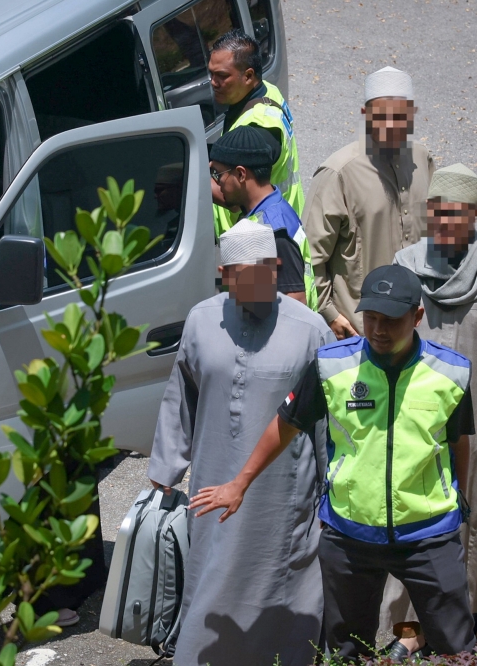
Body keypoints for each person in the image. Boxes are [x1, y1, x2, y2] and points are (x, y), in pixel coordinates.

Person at [191, 264, 477, 660]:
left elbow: (458, 441)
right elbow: (286, 424)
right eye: (370, 317)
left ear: (416, 317)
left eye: (391, 320)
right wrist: (240, 482)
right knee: (347, 650)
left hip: (429, 533)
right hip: (349, 533)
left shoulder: (450, 372)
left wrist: (460, 498)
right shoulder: (333, 367)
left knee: (455, 646)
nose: (378, 329)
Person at [148, 219, 333, 666]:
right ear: (225, 275)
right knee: (211, 575)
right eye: (244, 278)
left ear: (275, 268)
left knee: (281, 580)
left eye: (265, 273)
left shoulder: (310, 330)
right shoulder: (201, 320)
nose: (257, 286)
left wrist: (333, 489)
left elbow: (328, 422)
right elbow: (181, 396)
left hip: (284, 490)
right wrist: (165, 469)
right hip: (213, 480)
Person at [377, 164, 477, 656]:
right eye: (437, 212)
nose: (445, 222)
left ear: (476, 214)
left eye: (456, 214)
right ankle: (410, 616)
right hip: (416, 412)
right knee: (412, 504)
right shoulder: (406, 266)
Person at [304, 66, 435, 339]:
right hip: (361, 330)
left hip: (416, 326)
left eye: (399, 116)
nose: (391, 125)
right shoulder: (338, 173)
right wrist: (329, 313)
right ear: (366, 114)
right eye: (382, 116)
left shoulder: (423, 160)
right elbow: (309, 255)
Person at [208, 30, 305, 227]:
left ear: (248, 76)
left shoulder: (259, 128)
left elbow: (234, 199)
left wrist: (188, 176)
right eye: (211, 73)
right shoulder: (268, 91)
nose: (213, 83)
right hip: (282, 216)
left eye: (222, 76)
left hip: (264, 231)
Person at [209, 125, 310, 305]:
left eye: (217, 174)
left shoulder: (275, 231)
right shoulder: (265, 210)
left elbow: (296, 305)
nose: (217, 184)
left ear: (241, 174)